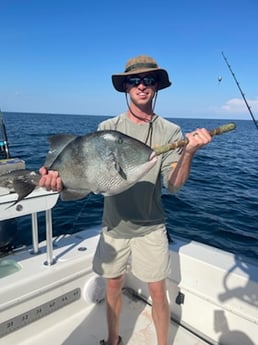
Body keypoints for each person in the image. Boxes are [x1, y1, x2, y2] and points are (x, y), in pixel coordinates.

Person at [39, 55, 212, 345]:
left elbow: (174, 185)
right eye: (134, 80)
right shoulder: (108, 127)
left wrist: (190, 153)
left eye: (149, 80)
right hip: (113, 225)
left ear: (157, 87)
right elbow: (87, 175)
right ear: (125, 87)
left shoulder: (170, 132)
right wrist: (57, 182)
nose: (141, 85)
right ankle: (113, 340)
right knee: (112, 288)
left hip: (151, 225)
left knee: (158, 292)